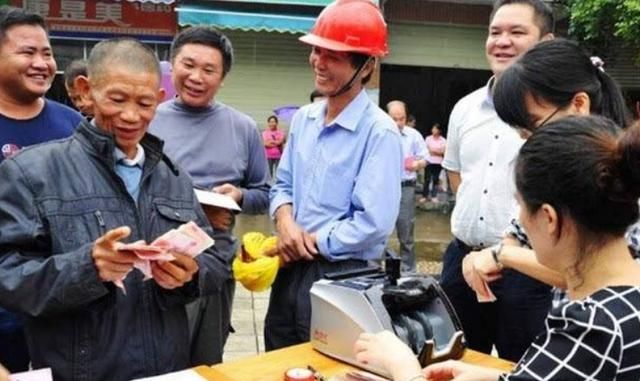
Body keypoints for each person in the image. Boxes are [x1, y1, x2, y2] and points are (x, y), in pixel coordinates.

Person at [0, 38, 232, 381]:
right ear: (86, 90)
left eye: (144, 103)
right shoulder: (32, 172)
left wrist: (190, 274)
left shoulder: (172, 175)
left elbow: (215, 258)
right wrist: (88, 267)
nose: (130, 116)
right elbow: (7, 276)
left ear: (160, 101)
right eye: (118, 99)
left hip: (167, 369)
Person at [354, 116, 640, 381]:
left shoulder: (595, 324)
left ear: (548, 218)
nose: (519, 223)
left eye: (520, 206)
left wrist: (402, 366)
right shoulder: (625, 300)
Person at [266, 0, 402, 350]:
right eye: (316, 51)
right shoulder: (303, 119)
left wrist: (307, 241)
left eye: (334, 56)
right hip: (289, 270)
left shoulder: (379, 133)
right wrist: (285, 223)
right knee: (280, 358)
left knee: (330, 365)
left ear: (367, 66)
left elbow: (373, 222)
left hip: (344, 275)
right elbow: (282, 186)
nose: (318, 62)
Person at [462, 39, 633, 305]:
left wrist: (502, 256)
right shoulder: (560, 166)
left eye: (533, 125)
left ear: (578, 104)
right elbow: (517, 232)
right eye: (520, 131)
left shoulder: (624, 172)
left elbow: (596, 271)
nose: (527, 140)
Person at [440, 0, 555, 361]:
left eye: (517, 32)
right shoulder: (465, 107)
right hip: (462, 262)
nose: (502, 41)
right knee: (452, 362)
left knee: (520, 364)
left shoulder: (557, 113)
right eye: (495, 32)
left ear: (546, 42)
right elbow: (455, 171)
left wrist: (505, 250)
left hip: (527, 271)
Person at [149, 26, 270, 365]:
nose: (196, 77)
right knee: (158, 359)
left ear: (223, 77)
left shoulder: (243, 127)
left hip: (215, 263)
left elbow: (264, 193)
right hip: (159, 263)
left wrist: (240, 196)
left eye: (209, 69)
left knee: (207, 360)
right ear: (173, 66)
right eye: (188, 65)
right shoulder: (148, 120)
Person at [0, 6, 82, 373]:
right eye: (27, 52)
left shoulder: (73, 124)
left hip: (62, 299)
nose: (42, 63)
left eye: (46, 53)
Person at [387, 100, 427, 272]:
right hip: (384, 188)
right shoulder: (379, 133)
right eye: (394, 119)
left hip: (406, 187)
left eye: (401, 119)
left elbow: (425, 158)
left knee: (406, 229)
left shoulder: (413, 135)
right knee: (378, 230)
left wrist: (417, 165)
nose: (398, 123)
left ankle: (408, 270)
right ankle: (373, 269)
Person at [420, 123, 446, 203]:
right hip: (429, 161)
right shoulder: (428, 138)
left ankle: (434, 196)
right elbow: (426, 150)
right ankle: (425, 196)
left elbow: (443, 152)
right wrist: (437, 151)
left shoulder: (443, 140)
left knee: (436, 179)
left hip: (438, 162)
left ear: (439, 130)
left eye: (435, 129)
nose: (433, 130)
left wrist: (433, 151)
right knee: (427, 179)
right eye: (433, 128)